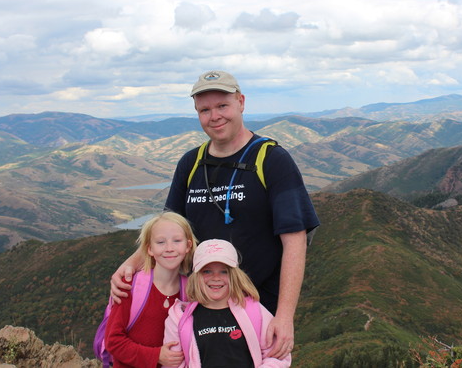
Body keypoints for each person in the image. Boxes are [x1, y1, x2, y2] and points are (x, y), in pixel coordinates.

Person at [111, 70, 320, 359]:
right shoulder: (191, 163)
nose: (214, 116)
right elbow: (168, 231)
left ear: (241, 102)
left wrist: (284, 317)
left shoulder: (272, 159)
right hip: (200, 307)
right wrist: (131, 264)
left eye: (222, 106)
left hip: (257, 310)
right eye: (205, 110)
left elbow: (294, 240)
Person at [162, 239, 291, 368]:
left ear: (235, 276)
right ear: (196, 276)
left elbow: (278, 356)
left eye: (224, 271)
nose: (216, 277)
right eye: (207, 271)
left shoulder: (255, 311)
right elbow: (173, 364)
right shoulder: (179, 318)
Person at [105, 212, 197, 368]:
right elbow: (113, 341)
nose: (169, 248)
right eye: (161, 242)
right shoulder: (130, 286)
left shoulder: (190, 292)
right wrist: (156, 356)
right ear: (149, 249)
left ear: (188, 246)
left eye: (177, 241)